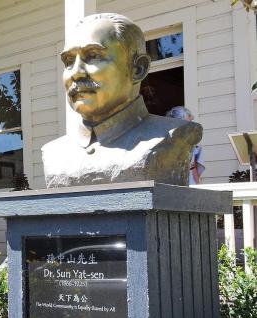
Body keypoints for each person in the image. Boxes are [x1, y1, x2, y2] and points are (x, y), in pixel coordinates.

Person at [41, 13, 203, 188]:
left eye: (93, 55)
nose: (76, 72)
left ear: (138, 69)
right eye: (69, 61)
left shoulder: (173, 139)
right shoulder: (53, 153)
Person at [165, 106, 205, 185]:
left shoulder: (192, 140)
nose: (192, 118)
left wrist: (198, 184)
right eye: (189, 116)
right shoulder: (167, 141)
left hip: (189, 182)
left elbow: (193, 167)